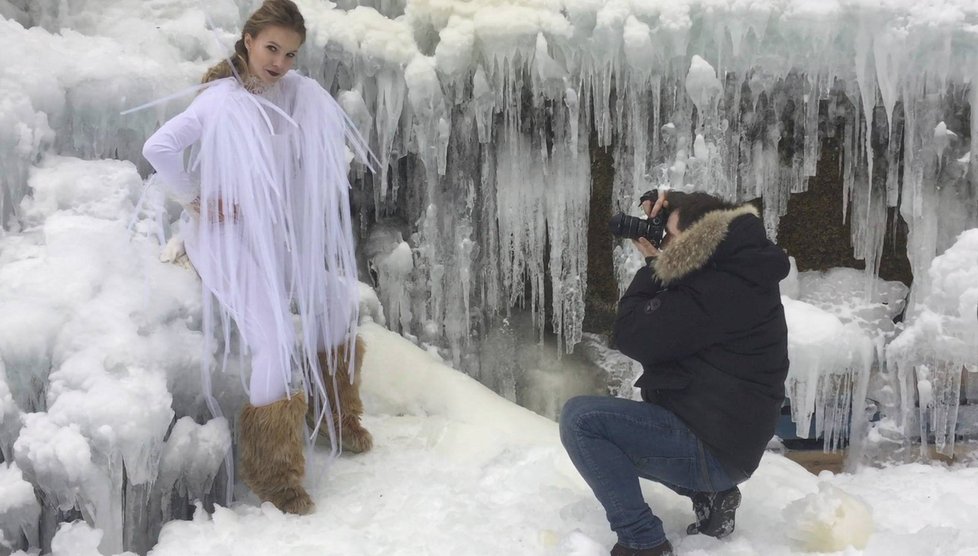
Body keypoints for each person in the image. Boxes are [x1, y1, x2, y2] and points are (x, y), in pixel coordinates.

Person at [142, 0, 374, 515]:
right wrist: (194, 198)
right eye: (272, 48)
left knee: (335, 298)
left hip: (269, 237)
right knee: (270, 335)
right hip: (224, 239)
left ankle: (335, 411)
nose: (280, 62)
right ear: (248, 41)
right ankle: (274, 473)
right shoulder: (219, 99)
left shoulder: (296, 93)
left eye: (290, 54)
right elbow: (158, 147)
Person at [560, 191, 790, 556]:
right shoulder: (737, 262)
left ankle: (643, 541)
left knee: (583, 421)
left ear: (696, 239)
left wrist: (654, 267)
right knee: (625, 426)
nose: (662, 242)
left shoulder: (713, 292)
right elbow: (705, 215)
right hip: (730, 437)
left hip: (714, 448)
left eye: (667, 235)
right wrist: (670, 204)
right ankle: (713, 494)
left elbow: (630, 335)